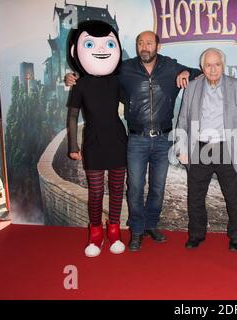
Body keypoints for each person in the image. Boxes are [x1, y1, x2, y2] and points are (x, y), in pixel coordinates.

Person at [66, 30, 201, 252]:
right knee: (135, 187)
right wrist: (74, 77)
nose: (144, 47)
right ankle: (137, 230)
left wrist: (186, 71)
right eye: (140, 43)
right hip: (136, 139)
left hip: (164, 138)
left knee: (157, 188)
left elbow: (199, 73)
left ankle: (151, 225)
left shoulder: (170, 66)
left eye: (149, 42)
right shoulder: (125, 68)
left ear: (159, 46)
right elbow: (99, 73)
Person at [175, 48, 237, 251]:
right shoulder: (191, 87)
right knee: (195, 196)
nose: (212, 69)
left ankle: (236, 235)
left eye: (217, 64)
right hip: (199, 147)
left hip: (228, 147)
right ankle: (197, 234)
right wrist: (182, 147)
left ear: (223, 65)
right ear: (202, 67)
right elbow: (182, 119)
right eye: (208, 65)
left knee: (234, 196)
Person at [66, 20, 127, 257]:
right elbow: (72, 116)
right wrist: (73, 145)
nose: (101, 50)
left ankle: (114, 231)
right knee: (95, 192)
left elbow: (132, 104)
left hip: (118, 141)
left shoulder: (117, 80)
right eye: (91, 44)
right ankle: (95, 233)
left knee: (116, 190)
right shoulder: (79, 85)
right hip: (92, 143)